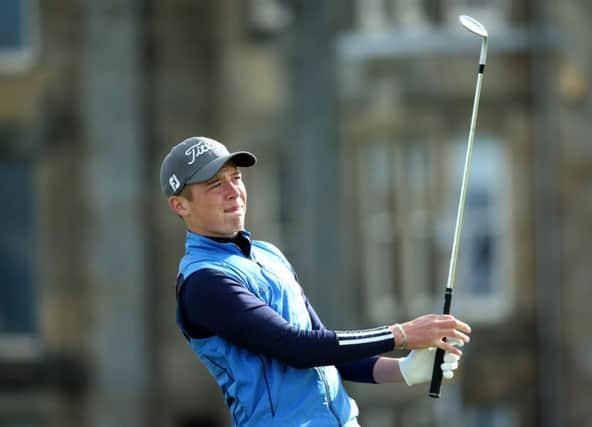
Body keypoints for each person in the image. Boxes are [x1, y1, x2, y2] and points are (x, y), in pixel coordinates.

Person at [160, 136, 472, 427]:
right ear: (180, 205)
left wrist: (402, 370)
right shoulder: (204, 282)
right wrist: (402, 334)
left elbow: (326, 349)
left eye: (236, 178)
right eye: (215, 184)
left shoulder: (268, 255)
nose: (233, 191)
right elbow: (297, 348)